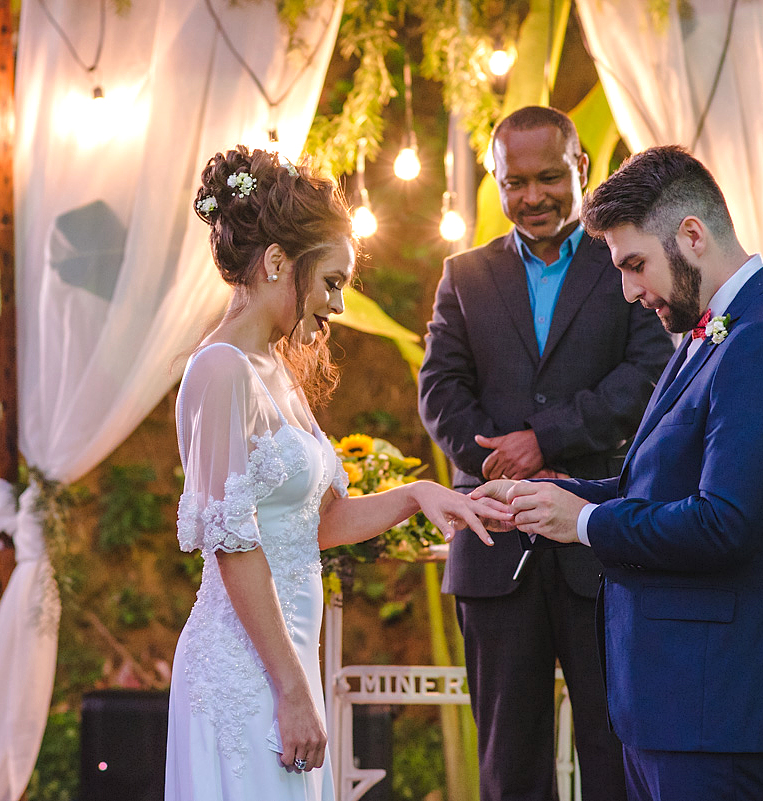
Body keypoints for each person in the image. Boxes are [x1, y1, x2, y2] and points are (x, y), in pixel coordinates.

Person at [474, 145, 763, 801]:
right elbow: (651, 485)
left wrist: (586, 523)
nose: (629, 291)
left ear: (692, 236)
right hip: (674, 705)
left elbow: (726, 523)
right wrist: (547, 497)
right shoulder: (711, 332)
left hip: (725, 706)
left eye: (635, 264)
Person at [165, 146, 509, 801]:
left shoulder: (274, 370)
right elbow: (234, 546)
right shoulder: (220, 370)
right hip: (246, 673)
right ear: (276, 262)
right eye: (330, 281)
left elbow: (318, 523)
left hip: (285, 666)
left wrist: (417, 494)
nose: (339, 303)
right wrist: (292, 689)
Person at [417, 107, 673, 801]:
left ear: (581, 168)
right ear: (496, 180)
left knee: (617, 753)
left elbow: (649, 374)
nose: (533, 196)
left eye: (550, 177)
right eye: (516, 182)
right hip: (494, 544)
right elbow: (439, 390)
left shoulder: (625, 263)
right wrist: (501, 467)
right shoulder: (463, 275)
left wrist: (545, 440)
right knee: (509, 765)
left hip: (604, 546)